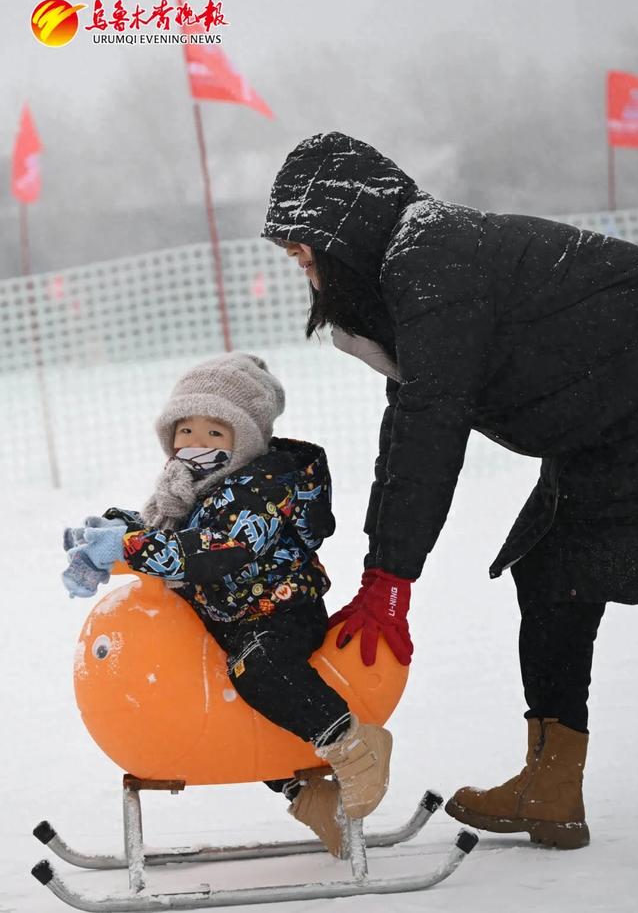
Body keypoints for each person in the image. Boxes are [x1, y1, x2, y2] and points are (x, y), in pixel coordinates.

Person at [262, 130, 638, 850]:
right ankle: (552, 784)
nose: (295, 258)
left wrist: (393, 582)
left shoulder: (432, 259)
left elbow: (436, 427)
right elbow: (406, 428)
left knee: (577, 568)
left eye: (301, 240)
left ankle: (552, 783)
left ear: (342, 223)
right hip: (602, 427)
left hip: (622, 411)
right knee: (555, 569)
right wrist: (380, 567)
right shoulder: (408, 272)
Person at [62, 352, 392, 857]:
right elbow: (172, 532)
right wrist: (115, 528)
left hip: (279, 613)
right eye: (185, 431)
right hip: (230, 616)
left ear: (246, 440)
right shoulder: (195, 485)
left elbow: (211, 551)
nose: (195, 445)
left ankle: (352, 744)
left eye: (215, 434)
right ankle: (305, 793)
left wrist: (128, 548)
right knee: (229, 700)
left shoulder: (261, 488)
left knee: (257, 671)